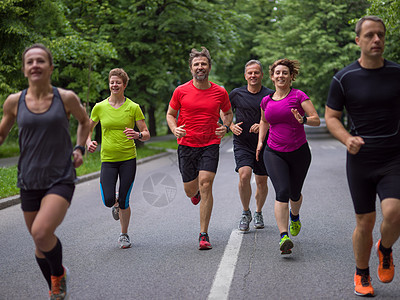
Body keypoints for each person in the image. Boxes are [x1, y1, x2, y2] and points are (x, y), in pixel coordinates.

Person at [0, 43, 90, 299]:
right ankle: (56, 284)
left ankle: (58, 278)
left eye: (40, 61)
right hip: (29, 178)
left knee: (41, 232)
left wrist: (79, 149)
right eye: (30, 62)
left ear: (50, 67)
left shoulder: (66, 98)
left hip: (60, 176)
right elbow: (1, 133)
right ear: (24, 69)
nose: (35, 65)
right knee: (40, 243)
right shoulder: (14, 102)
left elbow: (85, 122)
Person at [325, 16, 400, 297]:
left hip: (394, 156)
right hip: (361, 160)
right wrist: (347, 138)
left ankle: (385, 249)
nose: (376, 40)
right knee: (365, 223)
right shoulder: (344, 78)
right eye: (369, 35)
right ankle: (362, 273)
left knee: (394, 212)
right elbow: (331, 117)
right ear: (358, 40)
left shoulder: (397, 73)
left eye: (380, 35)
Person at [166, 47, 233, 250]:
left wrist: (226, 127)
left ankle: (203, 234)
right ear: (191, 68)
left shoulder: (219, 91)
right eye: (196, 64)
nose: (200, 67)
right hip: (186, 145)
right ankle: (194, 194)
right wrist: (175, 129)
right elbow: (170, 114)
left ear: (209, 67)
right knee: (190, 190)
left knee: (206, 184)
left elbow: (228, 113)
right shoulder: (181, 91)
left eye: (203, 64)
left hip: (210, 143)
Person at [256, 58, 320, 255]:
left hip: (299, 152)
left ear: (291, 77)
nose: (281, 76)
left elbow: (317, 120)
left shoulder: (298, 96)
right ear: (272, 77)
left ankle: (295, 215)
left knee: (294, 193)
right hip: (273, 151)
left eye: (285, 73)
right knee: (282, 192)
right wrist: (260, 142)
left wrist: (304, 120)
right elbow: (264, 121)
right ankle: (284, 236)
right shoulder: (266, 100)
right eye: (277, 73)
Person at [86, 68, 150, 249]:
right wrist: (88, 142)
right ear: (109, 84)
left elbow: (146, 134)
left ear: (124, 85)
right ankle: (115, 202)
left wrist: (137, 135)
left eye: (118, 82)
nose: (114, 85)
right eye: (112, 82)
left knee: (125, 200)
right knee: (108, 200)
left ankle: (124, 234)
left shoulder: (133, 107)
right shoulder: (99, 107)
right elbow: (87, 130)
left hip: (128, 158)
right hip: (108, 159)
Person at [229, 60, 274, 231]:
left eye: (256, 72)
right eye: (250, 73)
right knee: (244, 175)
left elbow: (276, 116)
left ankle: (258, 212)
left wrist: (264, 124)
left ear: (262, 75)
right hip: (243, 143)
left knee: (262, 181)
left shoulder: (270, 94)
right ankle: (246, 212)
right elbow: (223, 110)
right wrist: (230, 126)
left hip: (265, 143)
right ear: (245, 75)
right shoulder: (236, 94)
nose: (253, 76)